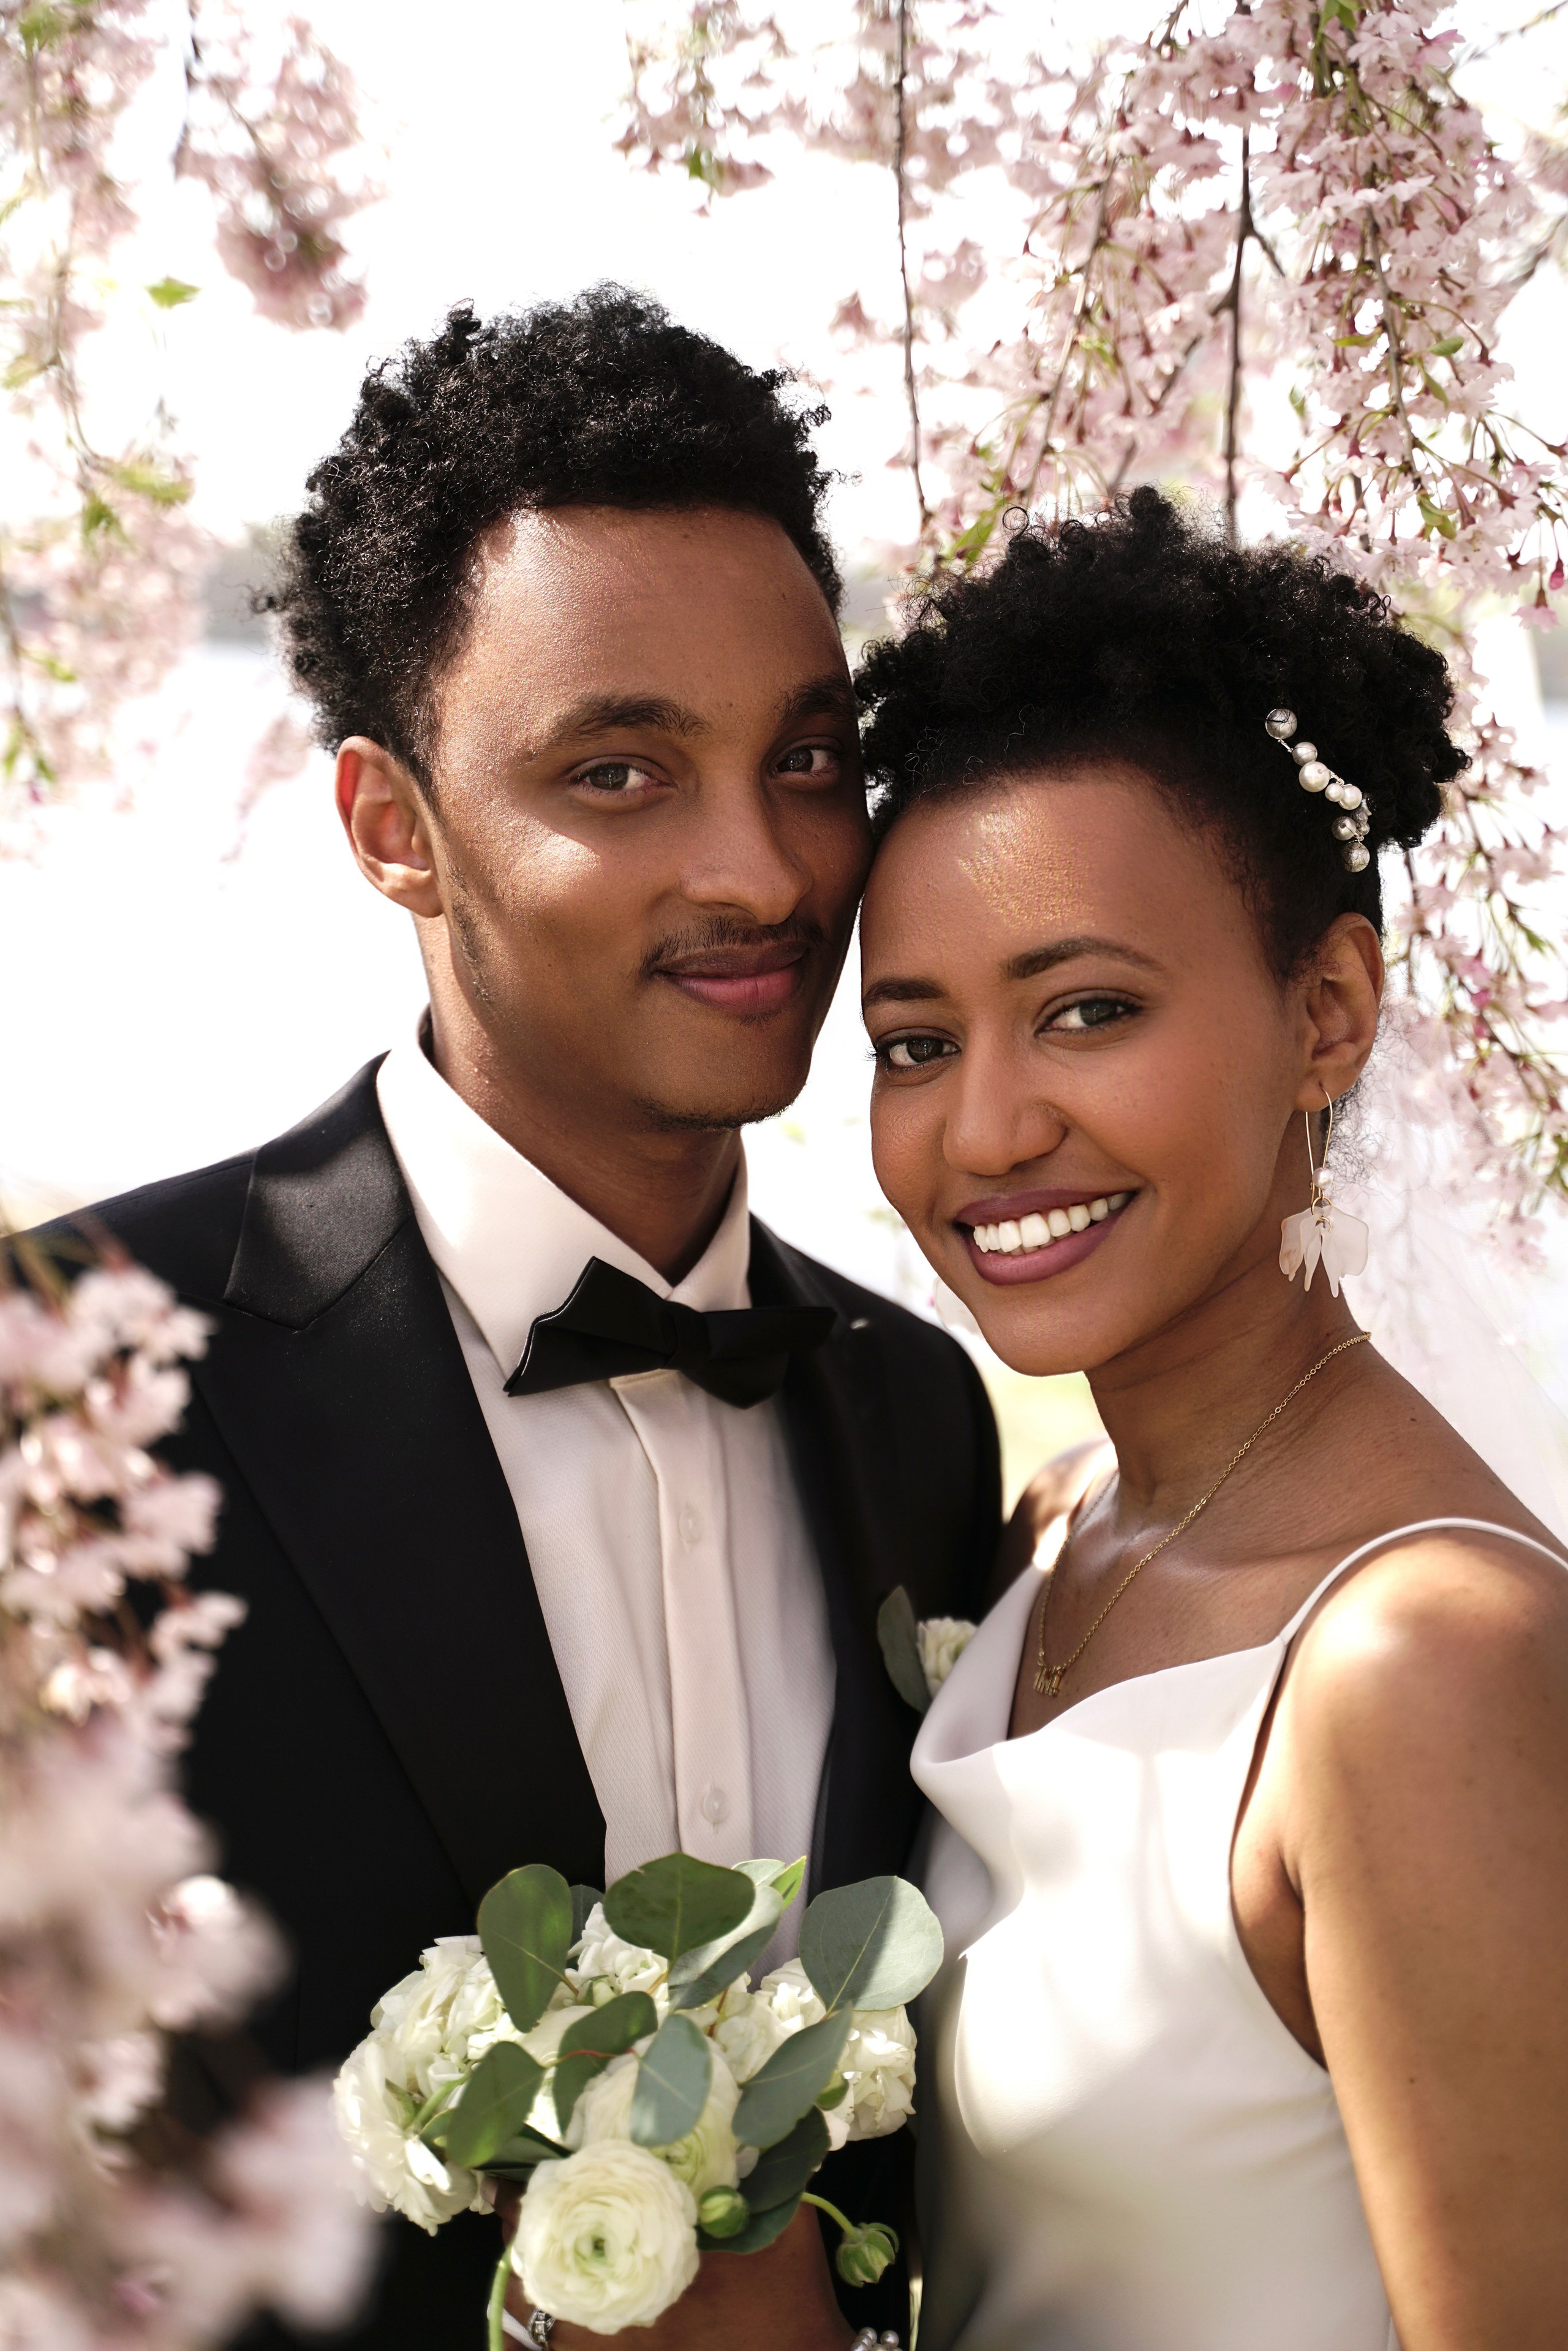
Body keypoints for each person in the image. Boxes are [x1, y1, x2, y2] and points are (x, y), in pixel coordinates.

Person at [36, 289, 1000, 2350]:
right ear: (394, 829)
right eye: (620, 772)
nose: (763, 872)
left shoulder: (923, 1416)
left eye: (806, 760)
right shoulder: (78, 1382)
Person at [854, 488, 1568, 2351]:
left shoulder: (1420, 1662)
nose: (986, 1129)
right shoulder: (1056, 1529)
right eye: (916, 1043)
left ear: (1326, 1012)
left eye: (1087, 1011)